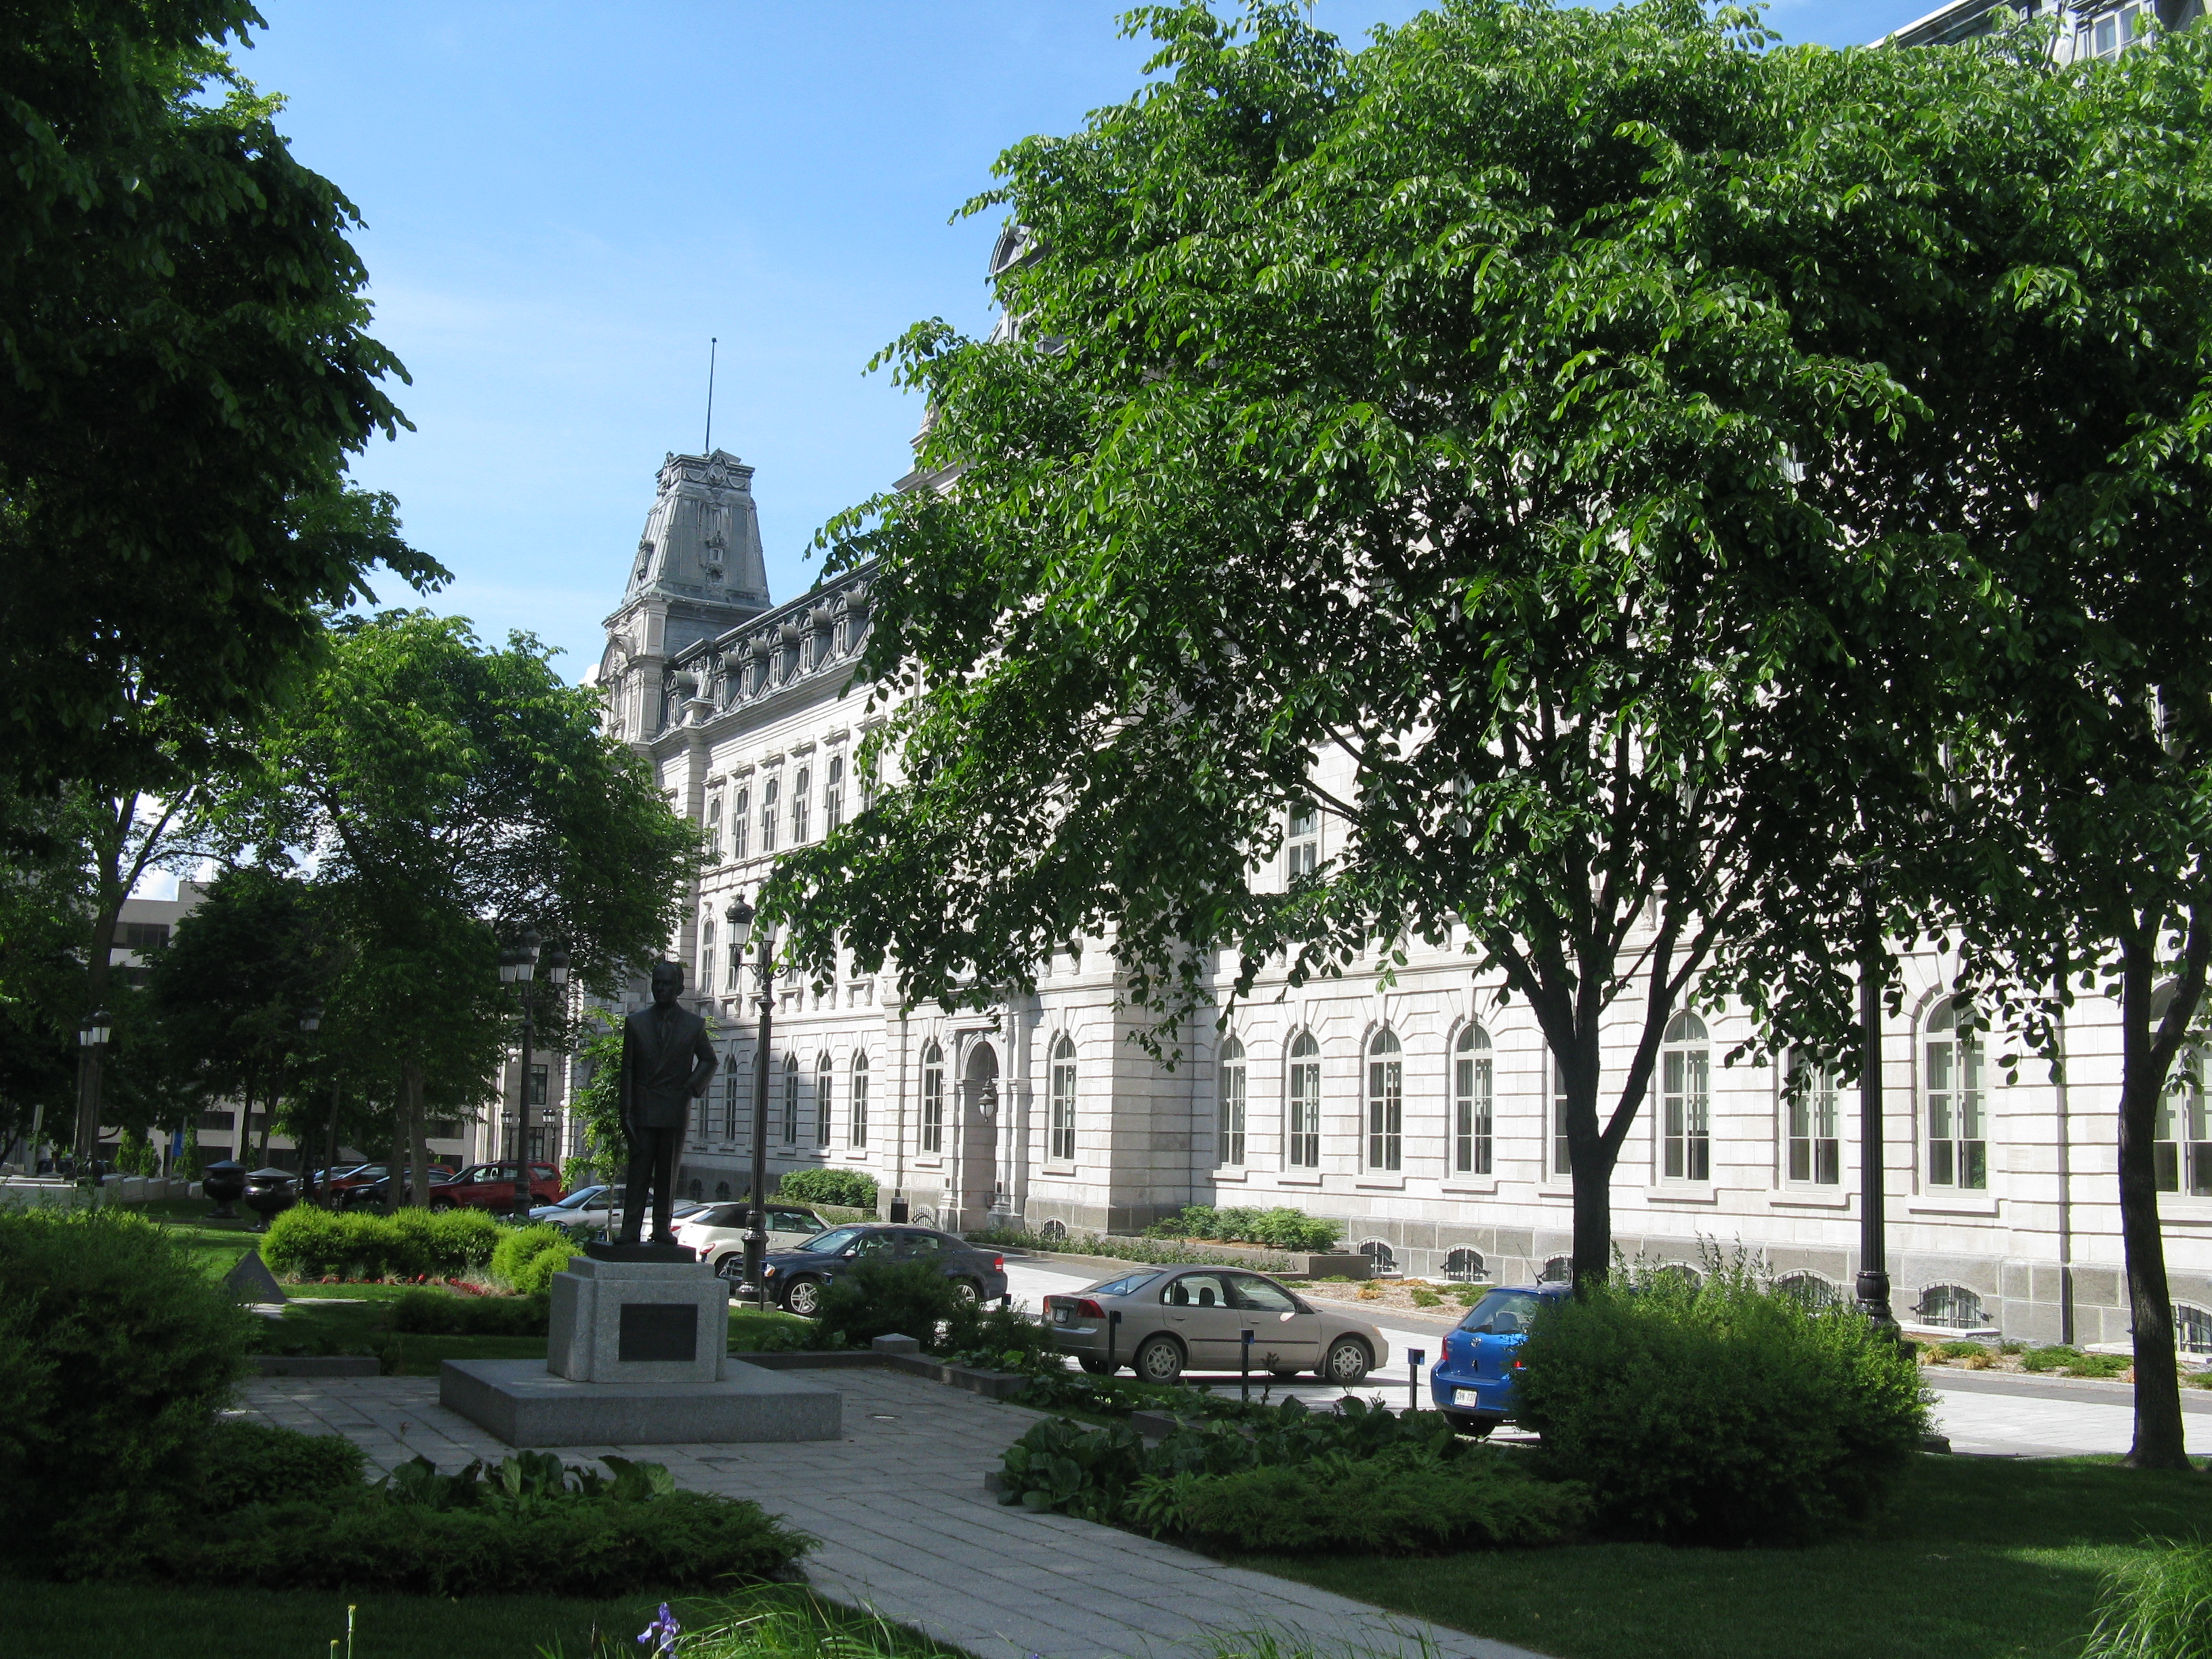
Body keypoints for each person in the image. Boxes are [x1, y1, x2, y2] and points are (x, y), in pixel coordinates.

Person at [617, 960, 717, 1246]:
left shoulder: (693, 1025)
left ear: (680, 988)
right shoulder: (636, 1023)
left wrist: (689, 1088)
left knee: (667, 1173)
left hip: (674, 1109)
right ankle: (630, 1229)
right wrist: (625, 1111)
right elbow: (628, 1069)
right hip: (643, 1109)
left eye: (666, 984)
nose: (660, 989)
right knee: (638, 1173)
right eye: (657, 983)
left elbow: (709, 1060)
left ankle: (662, 1227)